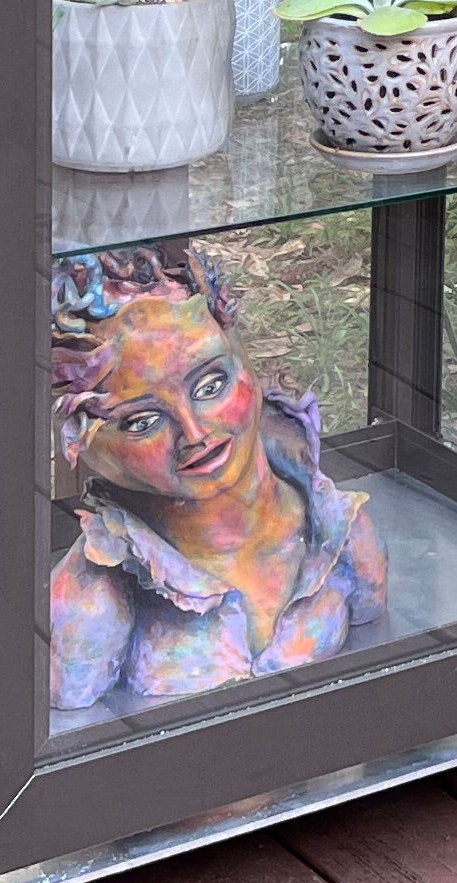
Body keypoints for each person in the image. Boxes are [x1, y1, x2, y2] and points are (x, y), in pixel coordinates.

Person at [46, 242, 389, 727]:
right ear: (85, 444)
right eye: (142, 421)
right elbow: (74, 739)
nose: (194, 433)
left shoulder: (343, 536)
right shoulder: (93, 604)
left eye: (211, 385)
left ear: (245, 362)